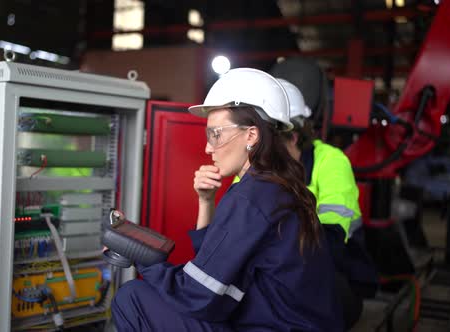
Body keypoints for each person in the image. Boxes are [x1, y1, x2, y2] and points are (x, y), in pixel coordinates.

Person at [111, 68, 342, 332]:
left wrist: (142, 258)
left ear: (251, 136)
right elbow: (214, 270)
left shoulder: (252, 194)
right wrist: (205, 202)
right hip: (292, 323)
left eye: (216, 134)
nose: (208, 147)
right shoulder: (281, 186)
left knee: (133, 297)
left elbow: (197, 295)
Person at [257, 79, 378, 329]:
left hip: (335, 275)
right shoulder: (262, 163)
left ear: (292, 136)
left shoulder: (332, 161)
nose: (260, 151)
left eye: (268, 141)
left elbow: (328, 244)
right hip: (282, 271)